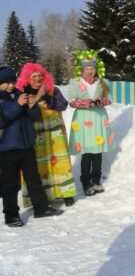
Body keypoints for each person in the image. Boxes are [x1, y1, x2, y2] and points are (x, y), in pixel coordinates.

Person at [0, 66, 63, 227]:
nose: (11, 86)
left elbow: (35, 117)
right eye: (6, 83)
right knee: (11, 183)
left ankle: (41, 208)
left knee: (34, 179)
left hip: (27, 146)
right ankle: (11, 215)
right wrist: (18, 105)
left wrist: (32, 106)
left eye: (13, 82)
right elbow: (3, 119)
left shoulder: (20, 95)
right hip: (7, 149)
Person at [16, 63, 77, 207]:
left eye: (40, 76)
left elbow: (63, 105)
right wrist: (38, 97)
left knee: (61, 163)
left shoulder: (53, 90)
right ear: (27, 79)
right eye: (34, 76)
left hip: (56, 134)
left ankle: (66, 193)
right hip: (35, 135)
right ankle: (41, 197)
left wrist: (47, 97)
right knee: (37, 165)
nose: (37, 79)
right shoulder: (23, 93)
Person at [68, 50, 115, 196]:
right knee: (87, 153)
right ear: (82, 69)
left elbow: (110, 98)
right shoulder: (75, 82)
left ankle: (96, 180)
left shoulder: (103, 82)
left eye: (92, 68)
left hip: (99, 119)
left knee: (97, 152)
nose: (90, 71)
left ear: (96, 69)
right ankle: (85, 182)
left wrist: (100, 101)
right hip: (82, 120)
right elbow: (71, 100)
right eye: (87, 69)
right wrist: (88, 103)